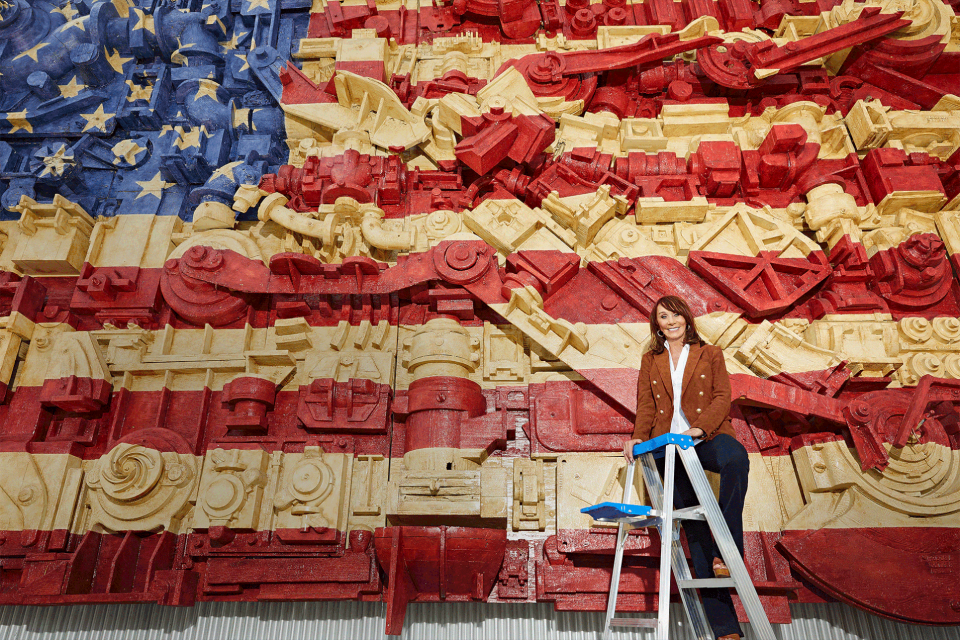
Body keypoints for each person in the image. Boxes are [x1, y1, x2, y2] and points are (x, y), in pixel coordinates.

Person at [621, 295, 749, 640]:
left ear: (686, 318)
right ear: (657, 324)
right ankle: (726, 629)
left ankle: (728, 550)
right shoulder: (651, 359)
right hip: (668, 447)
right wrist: (636, 437)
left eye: (675, 313)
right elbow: (645, 404)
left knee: (736, 458)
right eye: (663, 316)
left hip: (705, 437)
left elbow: (723, 397)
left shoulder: (711, 353)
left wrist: (698, 429)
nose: (671, 320)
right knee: (694, 530)